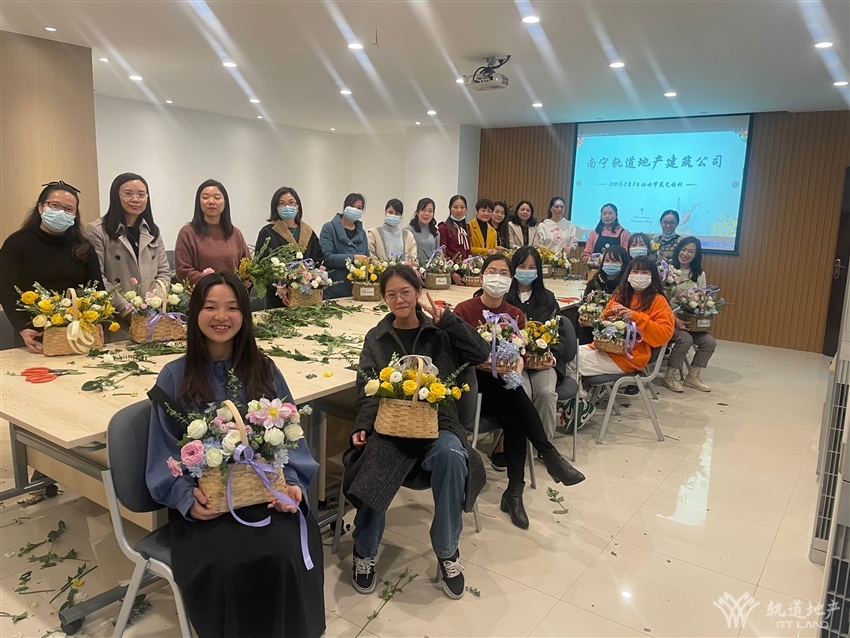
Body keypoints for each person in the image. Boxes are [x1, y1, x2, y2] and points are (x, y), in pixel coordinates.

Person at [145, 271, 325, 637]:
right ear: (195, 314)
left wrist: (292, 485)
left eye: (231, 307)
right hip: (209, 506)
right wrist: (185, 498)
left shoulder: (265, 370)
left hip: (267, 496)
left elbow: (293, 439)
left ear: (245, 314)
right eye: (210, 307)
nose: (221, 316)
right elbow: (162, 450)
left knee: (283, 553)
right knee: (228, 563)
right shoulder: (174, 376)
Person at [344, 265, 490, 599]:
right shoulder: (376, 338)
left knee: (452, 455)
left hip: (438, 424)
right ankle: (364, 551)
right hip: (392, 426)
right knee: (374, 459)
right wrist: (363, 425)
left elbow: (481, 353)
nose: (399, 300)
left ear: (418, 292)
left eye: (405, 292)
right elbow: (367, 388)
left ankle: (447, 551)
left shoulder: (440, 332)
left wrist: (447, 319)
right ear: (384, 298)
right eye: (391, 294)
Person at [454, 254, 585, 530]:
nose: (497, 277)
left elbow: (520, 354)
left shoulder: (515, 314)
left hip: (502, 390)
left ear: (510, 279)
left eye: (504, 273)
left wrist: (517, 363)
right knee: (513, 397)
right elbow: (456, 356)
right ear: (482, 275)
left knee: (514, 411)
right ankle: (547, 455)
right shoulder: (464, 311)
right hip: (476, 391)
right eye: (492, 271)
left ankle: (515, 492)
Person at [0, 181, 103, 353]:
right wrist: (22, 327)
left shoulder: (83, 247)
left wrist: (99, 321)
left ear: (75, 214)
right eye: (54, 205)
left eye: (69, 209)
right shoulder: (17, 243)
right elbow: (5, 289)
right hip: (33, 333)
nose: (61, 212)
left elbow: (97, 288)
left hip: (77, 331)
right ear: (41, 207)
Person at [504, 247, 573, 443]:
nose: (526, 271)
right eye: (521, 266)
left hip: (543, 362)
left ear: (539, 270)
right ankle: (518, 444)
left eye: (532, 267)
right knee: (522, 393)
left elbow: (560, 334)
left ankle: (544, 445)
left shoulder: (548, 298)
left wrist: (553, 357)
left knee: (546, 393)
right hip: (514, 364)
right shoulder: (504, 297)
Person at [86, 173, 170, 331]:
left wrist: (153, 303)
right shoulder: (98, 230)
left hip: (151, 315)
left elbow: (164, 272)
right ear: (115, 196)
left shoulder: (153, 230)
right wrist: (126, 309)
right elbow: (98, 277)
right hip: (115, 316)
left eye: (141, 194)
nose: (136, 199)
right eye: (128, 194)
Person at [578, 256, 675, 378]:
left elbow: (664, 333)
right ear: (628, 274)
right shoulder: (620, 294)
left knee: (572, 363)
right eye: (635, 271)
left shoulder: (658, 300)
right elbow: (602, 320)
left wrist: (636, 317)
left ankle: (579, 389)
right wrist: (611, 309)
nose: (639, 276)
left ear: (653, 276)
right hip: (605, 347)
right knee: (567, 356)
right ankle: (581, 388)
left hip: (629, 358)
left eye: (644, 272)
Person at [255, 186, 323, 309]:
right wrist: (281, 289)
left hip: (307, 295)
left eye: (291, 202)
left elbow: (319, 260)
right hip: (279, 298)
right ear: (276, 208)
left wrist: (318, 283)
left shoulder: (309, 232)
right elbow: (262, 267)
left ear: (297, 206)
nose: (287, 207)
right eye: (282, 203)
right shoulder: (268, 232)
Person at [663, 236, 715, 393]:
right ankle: (670, 377)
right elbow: (659, 302)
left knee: (709, 342)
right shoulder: (666, 270)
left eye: (691, 251)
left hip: (690, 321)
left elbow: (702, 298)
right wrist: (674, 319)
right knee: (685, 339)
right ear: (678, 250)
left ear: (696, 255)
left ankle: (693, 376)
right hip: (668, 320)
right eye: (683, 249)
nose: (686, 254)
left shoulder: (699, 274)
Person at [175, 180, 250, 285]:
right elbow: (182, 270)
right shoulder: (187, 233)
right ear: (198, 202)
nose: (211, 201)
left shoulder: (235, 233)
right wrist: (214, 283)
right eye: (205, 197)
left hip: (233, 293)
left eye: (217, 198)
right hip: (202, 292)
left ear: (225, 203)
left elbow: (248, 266)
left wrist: (245, 280)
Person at [576, 246, 631, 346]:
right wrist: (582, 315)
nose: (610, 263)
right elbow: (584, 303)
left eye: (615, 261)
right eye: (607, 260)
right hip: (589, 330)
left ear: (624, 264)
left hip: (613, 335)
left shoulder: (627, 286)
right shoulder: (595, 281)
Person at [320, 193, 369, 299]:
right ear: (345, 206)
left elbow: (367, 257)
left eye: (359, 208)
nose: (355, 210)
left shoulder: (362, 233)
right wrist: (353, 258)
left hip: (357, 291)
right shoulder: (329, 228)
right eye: (352, 206)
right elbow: (327, 257)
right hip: (334, 290)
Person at [407, 197, 439, 264]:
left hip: (431, 270)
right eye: (423, 210)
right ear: (417, 212)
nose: (426, 213)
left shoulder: (435, 232)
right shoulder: (408, 230)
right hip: (413, 268)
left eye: (430, 211)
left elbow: (437, 255)